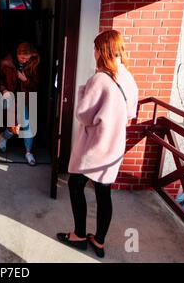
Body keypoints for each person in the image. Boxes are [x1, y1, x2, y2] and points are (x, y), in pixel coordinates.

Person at [56, 30, 138, 258]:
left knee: (75, 185)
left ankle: (79, 235)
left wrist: (83, 90)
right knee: (104, 193)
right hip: (114, 145)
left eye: (95, 48)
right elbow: (131, 113)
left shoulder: (99, 79)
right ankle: (99, 241)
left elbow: (83, 115)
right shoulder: (128, 77)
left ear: (102, 51)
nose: (93, 52)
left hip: (94, 146)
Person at [0, 42, 40, 166]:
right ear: (16, 54)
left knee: (28, 126)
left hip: (25, 98)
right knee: (13, 128)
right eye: (23, 58)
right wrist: (4, 90)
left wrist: (25, 80)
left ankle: (28, 153)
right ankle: (4, 136)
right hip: (10, 98)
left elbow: (36, 84)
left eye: (27, 58)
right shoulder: (6, 63)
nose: (25, 61)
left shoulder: (32, 63)